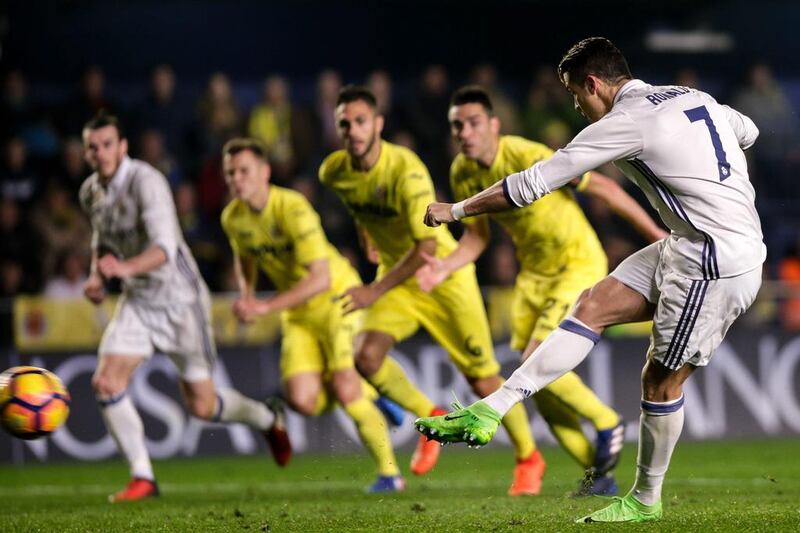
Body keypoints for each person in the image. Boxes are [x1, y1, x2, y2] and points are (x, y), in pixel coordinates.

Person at [416, 37, 764, 523]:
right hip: (688, 242)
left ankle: (644, 501)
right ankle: (493, 407)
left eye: (575, 95)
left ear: (594, 83)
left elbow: (529, 186)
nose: (577, 107)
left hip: (715, 259)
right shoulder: (692, 97)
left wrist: (455, 209)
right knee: (595, 303)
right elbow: (746, 131)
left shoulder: (625, 120)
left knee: (660, 382)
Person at [416, 85, 668, 495]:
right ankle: (596, 473)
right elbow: (477, 239)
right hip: (532, 275)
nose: (464, 132)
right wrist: (443, 267)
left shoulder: (523, 153)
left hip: (574, 260)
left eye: (473, 123)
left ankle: (607, 422)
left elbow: (602, 188)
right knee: (539, 385)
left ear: (494, 125)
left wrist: (654, 232)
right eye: (457, 125)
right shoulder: (462, 170)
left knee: (535, 358)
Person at [319, 85, 542, 496]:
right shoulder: (333, 170)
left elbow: (424, 247)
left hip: (441, 275)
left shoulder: (406, 170)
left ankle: (529, 456)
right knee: (366, 357)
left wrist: (373, 291)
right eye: (344, 123)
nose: (352, 130)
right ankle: (430, 413)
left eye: (360, 121)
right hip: (399, 278)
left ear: (378, 124)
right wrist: (365, 232)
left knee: (482, 379)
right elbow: (358, 204)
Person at [79, 112, 291, 503]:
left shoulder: (147, 183)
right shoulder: (91, 191)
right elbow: (102, 240)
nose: (101, 152)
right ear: (86, 152)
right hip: (139, 300)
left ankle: (267, 417)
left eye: (108, 144)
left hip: (180, 301)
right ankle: (142, 476)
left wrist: (121, 268)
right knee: (105, 382)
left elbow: (165, 249)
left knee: (203, 405)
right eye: (93, 146)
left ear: (122, 147)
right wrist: (96, 275)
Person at [220, 137, 405, 492]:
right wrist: (246, 294)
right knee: (303, 401)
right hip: (298, 312)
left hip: (337, 298)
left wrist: (264, 306)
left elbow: (319, 278)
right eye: (230, 173)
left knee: (345, 387)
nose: (236, 179)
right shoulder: (233, 218)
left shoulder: (293, 208)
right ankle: (370, 392)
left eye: (244, 171)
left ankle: (390, 474)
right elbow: (243, 257)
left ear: (265, 173)